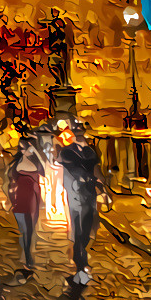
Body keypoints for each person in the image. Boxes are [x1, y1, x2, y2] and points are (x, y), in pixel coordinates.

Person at [58, 122, 105, 286]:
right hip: (76, 195)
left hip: (89, 194)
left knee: (87, 231)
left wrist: (103, 188)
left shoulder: (90, 151)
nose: (79, 134)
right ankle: (81, 266)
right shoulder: (67, 152)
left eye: (81, 131)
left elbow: (96, 170)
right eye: (76, 132)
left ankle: (81, 265)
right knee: (78, 231)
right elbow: (67, 172)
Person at [4, 132, 46, 276]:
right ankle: (27, 258)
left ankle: (28, 257)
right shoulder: (16, 163)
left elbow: (45, 172)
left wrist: (37, 153)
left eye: (26, 148)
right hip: (19, 199)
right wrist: (8, 199)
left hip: (33, 199)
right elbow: (8, 182)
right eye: (21, 148)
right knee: (24, 230)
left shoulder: (37, 163)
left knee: (31, 229)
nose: (23, 150)